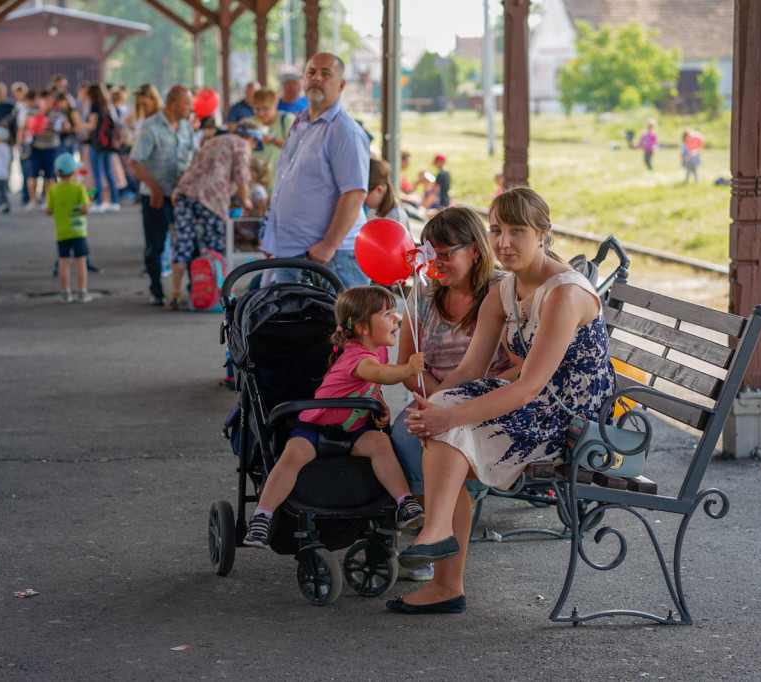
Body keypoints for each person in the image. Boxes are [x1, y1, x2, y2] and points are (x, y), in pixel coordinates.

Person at [386, 188, 615, 615]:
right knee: (441, 418)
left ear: (542, 234)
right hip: (536, 403)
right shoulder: (505, 290)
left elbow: (528, 387)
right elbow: (470, 371)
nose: (503, 242)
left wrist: (449, 415)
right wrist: (435, 407)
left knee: (449, 430)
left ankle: (442, 568)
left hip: (569, 419)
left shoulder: (565, 293)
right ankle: (439, 545)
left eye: (517, 231)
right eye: (496, 230)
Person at [242, 285, 427, 549]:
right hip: (314, 428)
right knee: (293, 455)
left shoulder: (378, 351)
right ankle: (263, 516)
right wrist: (407, 369)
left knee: (380, 442)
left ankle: (404, 501)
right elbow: (379, 374)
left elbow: (369, 386)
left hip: (353, 431)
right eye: (388, 314)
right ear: (362, 328)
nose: (396, 318)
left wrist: (379, 404)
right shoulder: (357, 355)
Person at [389, 207, 514, 581]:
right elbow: (407, 366)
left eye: (445, 254)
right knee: (406, 435)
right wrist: (433, 401)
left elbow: (520, 369)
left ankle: (437, 550)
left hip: (490, 402)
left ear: (475, 250)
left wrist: (445, 406)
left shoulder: (502, 290)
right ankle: (435, 540)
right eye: (429, 254)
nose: (435, 264)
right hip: (432, 396)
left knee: (438, 437)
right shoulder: (424, 292)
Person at [260, 53, 371, 289]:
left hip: (331, 257)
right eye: (311, 72)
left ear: (341, 85)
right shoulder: (300, 124)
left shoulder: (345, 131)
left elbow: (354, 193)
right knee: (287, 314)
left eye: (326, 74)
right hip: (291, 251)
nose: (316, 78)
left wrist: (329, 244)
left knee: (341, 315)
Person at [166, 124, 262, 309]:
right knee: (214, 246)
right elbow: (242, 178)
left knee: (182, 242)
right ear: (251, 138)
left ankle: (175, 294)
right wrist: (246, 202)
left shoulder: (214, 141)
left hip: (185, 192)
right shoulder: (242, 144)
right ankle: (216, 293)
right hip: (212, 198)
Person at [128, 85, 198, 306]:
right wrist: (154, 189)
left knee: (190, 244)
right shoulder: (151, 127)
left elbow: (195, 156)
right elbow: (135, 161)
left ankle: (195, 289)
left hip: (182, 195)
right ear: (173, 105)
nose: (190, 108)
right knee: (156, 245)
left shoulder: (186, 127)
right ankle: (156, 289)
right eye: (187, 104)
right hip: (156, 196)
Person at [46, 152, 93, 304]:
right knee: (80, 261)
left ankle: (66, 292)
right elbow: (85, 209)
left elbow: (49, 210)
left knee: (63, 262)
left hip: (61, 232)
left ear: (56, 173)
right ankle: (82, 292)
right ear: (74, 172)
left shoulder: (53, 189)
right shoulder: (79, 188)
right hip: (78, 231)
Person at [84, 83, 123, 213]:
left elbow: (92, 126)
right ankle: (114, 201)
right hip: (108, 145)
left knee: (97, 174)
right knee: (109, 172)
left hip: (96, 144)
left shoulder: (94, 106)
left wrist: (80, 124)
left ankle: (99, 202)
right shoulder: (108, 106)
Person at [248, 88, 294, 191]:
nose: (261, 113)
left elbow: (296, 148)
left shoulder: (286, 120)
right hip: (255, 183)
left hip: (281, 182)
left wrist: (273, 140)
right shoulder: (251, 123)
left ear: (275, 105)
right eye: (257, 109)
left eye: (265, 109)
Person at [365, 158, 410, 231]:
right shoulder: (372, 209)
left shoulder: (394, 218)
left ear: (379, 189)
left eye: (365, 195)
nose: (362, 200)